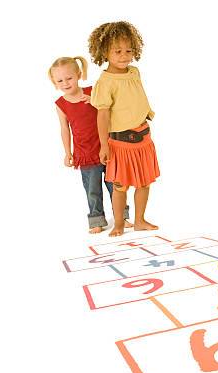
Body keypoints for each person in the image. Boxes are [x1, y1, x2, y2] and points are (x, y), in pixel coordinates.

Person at [88, 21, 160, 237]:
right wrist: (103, 145)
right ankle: (119, 223)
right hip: (120, 143)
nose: (124, 56)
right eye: (117, 51)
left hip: (143, 138)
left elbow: (135, 100)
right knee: (120, 186)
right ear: (105, 52)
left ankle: (139, 220)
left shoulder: (134, 72)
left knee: (145, 182)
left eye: (128, 50)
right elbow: (102, 115)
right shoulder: (105, 81)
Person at [49, 56, 131, 233]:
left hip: (107, 147)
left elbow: (111, 111)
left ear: (78, 75)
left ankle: (122, 217)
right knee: (92, 190)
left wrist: (93, 101)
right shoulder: (61, 104)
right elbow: (65, 129)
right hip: (85, 153)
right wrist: (67, 152)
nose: (65, 83)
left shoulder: (94, 91)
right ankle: (96, 221)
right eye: (60, 80)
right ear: (54, 82)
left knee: (116, 185)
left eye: (69, 78)